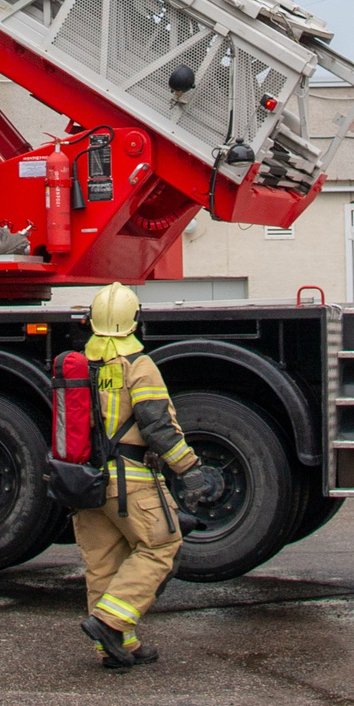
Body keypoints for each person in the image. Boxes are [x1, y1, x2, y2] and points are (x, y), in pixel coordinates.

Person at [69, 282, 224, 669]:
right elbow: (158, 426)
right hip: (129, 481)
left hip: (84, 482)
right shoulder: (138, 366)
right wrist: (189, 469)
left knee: (104, 562)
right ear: (134, 321)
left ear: (92, 320)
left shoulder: (79, 366)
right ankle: (109, 622)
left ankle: (118, 645)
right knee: (161, 547)